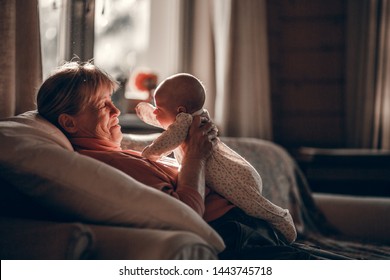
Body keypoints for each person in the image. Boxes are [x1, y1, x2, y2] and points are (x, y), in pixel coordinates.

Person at [36, 61, 348, 259]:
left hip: (246, 230)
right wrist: (195, 155)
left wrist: (192, 137)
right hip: (234, 237)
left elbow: (156, 144)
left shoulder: (114, 151)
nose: (117, 111)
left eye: (113, 102)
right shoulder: (104, 165)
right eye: (103, 105)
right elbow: (186, 212)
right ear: (70, 123)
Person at [135, 73, 297, 244]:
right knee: (252, 206)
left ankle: (283, 221)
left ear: (180, 111)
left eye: (158, 109)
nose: (154, 113)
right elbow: (164, 121)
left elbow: (164, 143)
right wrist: (152, 110)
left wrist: (149, 154)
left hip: (234, 179)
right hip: (239, 171)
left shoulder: (184, 122)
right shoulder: (194, 117)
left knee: (255, 207)